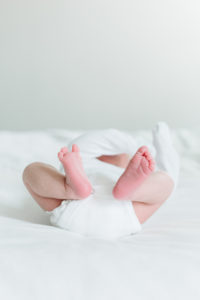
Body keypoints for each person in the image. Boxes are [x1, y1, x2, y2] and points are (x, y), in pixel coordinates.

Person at [23, 122, 179, 238]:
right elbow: (170, 167)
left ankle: (68, 188)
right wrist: (143, 145)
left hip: (71, 206)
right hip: (124, 213)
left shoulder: (80, 161)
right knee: (166, 183)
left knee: (32, 171)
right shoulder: (85, 162)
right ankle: (133, 191)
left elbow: (92, 141)